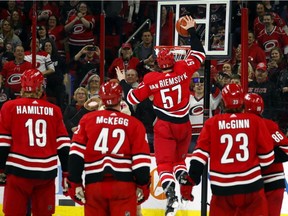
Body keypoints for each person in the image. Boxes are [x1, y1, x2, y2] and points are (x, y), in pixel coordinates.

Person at [117, 15, 205, 216]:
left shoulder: (150, 78)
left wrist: (123, 82)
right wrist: (191, 30)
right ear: (174, 60)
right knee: (180, 162)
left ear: (157, 63)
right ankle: (182, 175)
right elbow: (200, 53)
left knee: (164, 163)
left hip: (164, 125)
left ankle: (171, 195)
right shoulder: (183, 69)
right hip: (184, 124)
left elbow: (132, 98)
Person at [188, 83, 275, 216]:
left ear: (223, 102)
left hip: (222, 189)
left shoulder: (212, 123)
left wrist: (192, 179)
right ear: (242, 102)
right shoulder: (255, 121)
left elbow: (199, 156)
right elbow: (268, 159)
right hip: (251, 188)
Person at [67, 81, 151, 216]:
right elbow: (141, 160)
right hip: (124, 185)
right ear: (120, 97)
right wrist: (143, 184)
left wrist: (75, 181)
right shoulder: (135, 124)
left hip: (94, 185)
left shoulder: (87, 119)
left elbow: (76, 154)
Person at [0, 68, 70, 216]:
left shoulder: (9, 107)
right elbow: (64, 146)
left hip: (18, 172)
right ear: (41, 87)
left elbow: (3, 143)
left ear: (22, 87)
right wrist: (66, 172)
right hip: (45, 174)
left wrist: (0, 170)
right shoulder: (54, 110)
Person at [244, 92, 288, 216]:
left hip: (254, 182)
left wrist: (260, 158)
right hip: (273, 182)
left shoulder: (241, 128)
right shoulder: (269, 124)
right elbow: (286, 151)